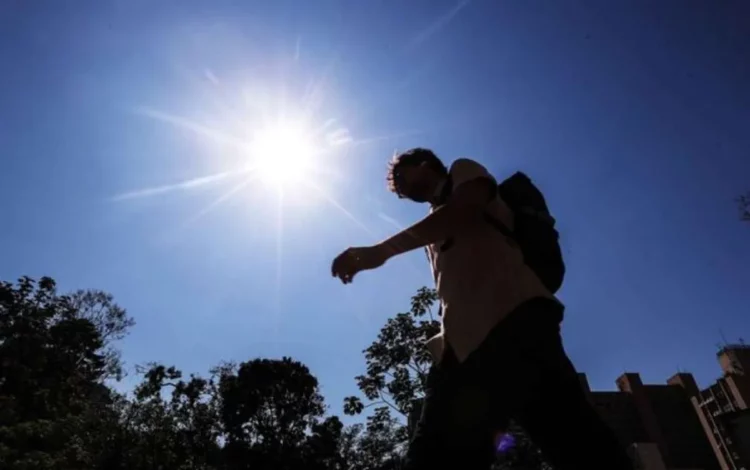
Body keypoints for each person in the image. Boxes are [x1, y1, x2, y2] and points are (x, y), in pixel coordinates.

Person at [331, 148, 633, 470]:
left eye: (402, 178)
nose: (401, 191)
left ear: (423, 164)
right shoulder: (433, 229)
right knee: (436, 456)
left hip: (515, 324)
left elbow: (464, 212)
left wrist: (382, 251)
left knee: (577, 444)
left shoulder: (463, 171)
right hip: (459, 348)